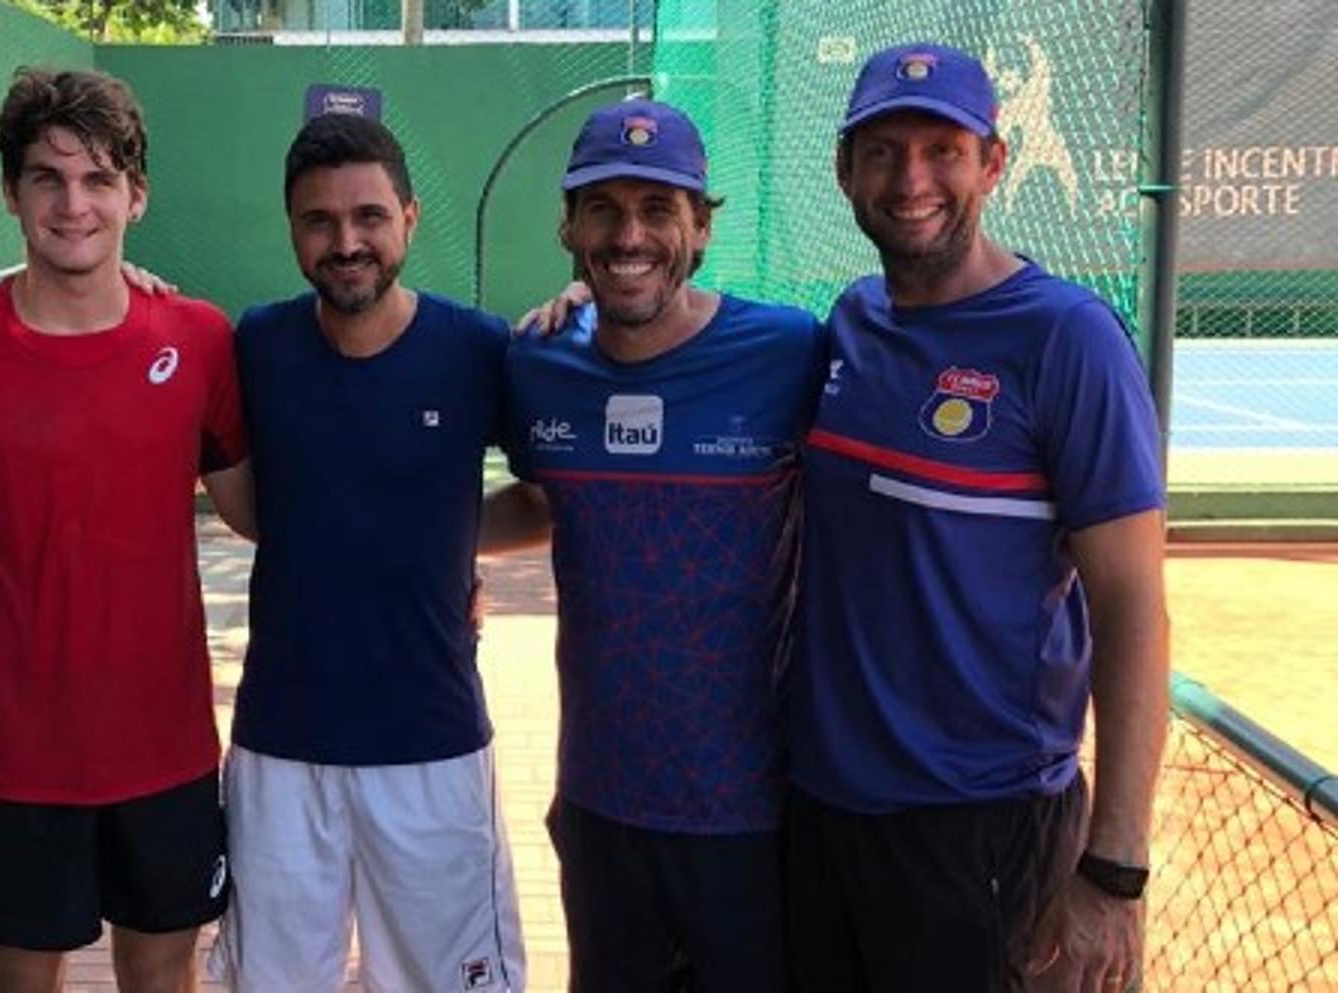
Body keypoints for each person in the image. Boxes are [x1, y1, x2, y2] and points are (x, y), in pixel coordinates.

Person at [785, 42, 1170, 992]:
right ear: (845, 171)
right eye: (881, 151)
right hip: (820, 812)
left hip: (982, 828)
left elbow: (1134, 612)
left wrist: (1114, 867)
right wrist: (591, 304)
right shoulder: (852, 322)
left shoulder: (1068, 339)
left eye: (941, 149)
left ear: (992, 163)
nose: (911, 179)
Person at [0, 69, 251, 993]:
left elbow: (262, 515)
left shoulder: (200, 339)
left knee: (164, 973)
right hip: (18, 758)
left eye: (97, 179)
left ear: (136, 193)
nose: (74, 204)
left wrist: (440, 560)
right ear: (11, 192)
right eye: (48, 177)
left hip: (166, 747)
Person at [484, 99, 821, 991]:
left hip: (756, 809)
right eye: (603, 208)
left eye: (658, 209)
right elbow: (543, 499)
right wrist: (406, 545)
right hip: (601, 803)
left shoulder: (791, 351)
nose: (629, 234)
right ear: (569, 225)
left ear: (701, 228)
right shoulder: (537, 361)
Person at [205, 111, 526, 992]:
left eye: (369, 217)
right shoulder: (256, 345)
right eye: (320, 220)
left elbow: (548, 500)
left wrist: (444, 544)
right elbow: (254, 507)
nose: (347, 242)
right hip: (280, 745)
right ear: (293, 230)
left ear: (411, 219)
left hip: (432, 741)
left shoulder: (480, 348)